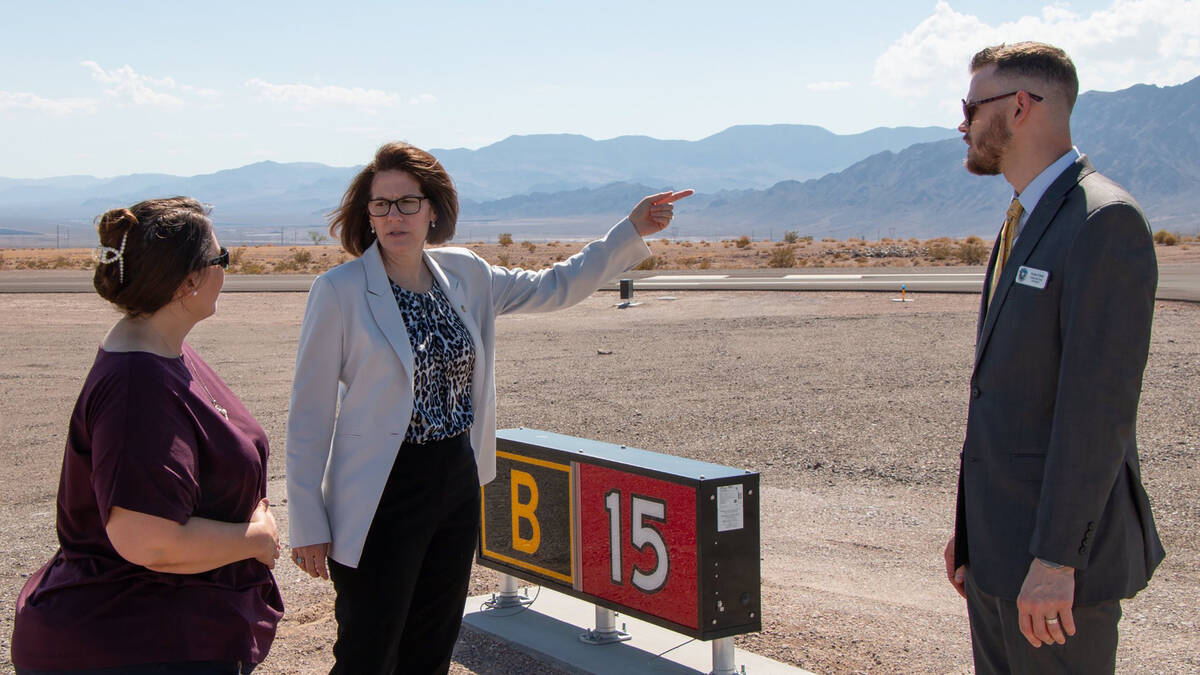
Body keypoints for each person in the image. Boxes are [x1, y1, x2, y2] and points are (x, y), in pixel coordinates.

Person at [286, 141, 691, 673]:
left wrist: (630, 230)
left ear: (433, 209)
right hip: (379, 491)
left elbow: (556, 286)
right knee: (368, 650)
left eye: (407, 202)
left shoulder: (465, 274)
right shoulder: (339, 290)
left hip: (455, 479)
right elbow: (309, 416)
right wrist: (307, 520)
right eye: (380, 204)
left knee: (431, 646)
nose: (393, 216)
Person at [943, 42, 1164, 673]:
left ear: (1019, 107)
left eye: (970, 106)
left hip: (1055, 569)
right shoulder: (1027, 217)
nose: (962, 124)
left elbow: (1097, 412)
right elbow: (1005, 396)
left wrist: (1056, 558)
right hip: (998, 552)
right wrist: (973, 531)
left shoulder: (1103, 221)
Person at [11, 197, 284, 674]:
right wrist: (255, 539)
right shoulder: (138, 383)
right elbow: (149, 541)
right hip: (131, 644)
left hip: (160, 637)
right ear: (189, 281)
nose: (226, 270)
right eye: (221, 259)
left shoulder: (161, 352)